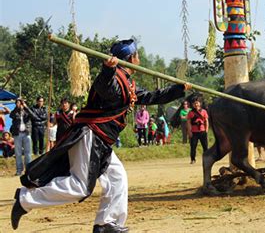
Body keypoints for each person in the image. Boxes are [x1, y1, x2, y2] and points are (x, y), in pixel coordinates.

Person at [11, 39, 191, 232]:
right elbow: (103, 88)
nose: (139, 59)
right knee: (80, 187)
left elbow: (151, 97)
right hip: (91, 136)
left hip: (103, 141)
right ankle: (25, 200)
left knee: (118, 177)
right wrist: (107, 70)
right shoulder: (112, 79)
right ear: (131, 58)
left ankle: (106, 223)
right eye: (137, 55)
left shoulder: (128, 83)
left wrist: (178, 90)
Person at [10, 98, 34, 176]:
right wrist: (17, 108)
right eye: (18, 103)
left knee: (28, 153)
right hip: (17, 134)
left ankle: (28, 171)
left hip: (27, 134)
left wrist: (26, 107)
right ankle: (19, 170)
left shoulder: (27, 111)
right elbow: (11, 115)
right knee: (18, 153)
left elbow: (33, 116)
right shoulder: (15, 112)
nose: (20, 104)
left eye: (21, 103)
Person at [187, 97, 209, 164]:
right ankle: (193, 159)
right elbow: (188, 123)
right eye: (194, 103)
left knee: (205, 146)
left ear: (200, 103)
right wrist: (189, 131)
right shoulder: (191, 113)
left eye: (197, 103)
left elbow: (206, 121)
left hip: (202, 131)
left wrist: (206, 129)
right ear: (192, 104)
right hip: (194, 132)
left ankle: (207, 159)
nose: (196, 104)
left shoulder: (204, 111)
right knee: (193, 147)